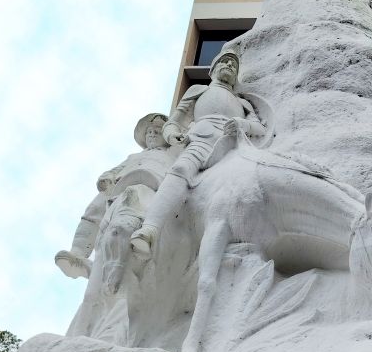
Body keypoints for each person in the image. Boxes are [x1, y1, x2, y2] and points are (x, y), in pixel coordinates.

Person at [130, 49, 266, 258]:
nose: (229, 66)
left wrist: (243, 123)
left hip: (234, 145)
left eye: (233, 65)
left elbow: (259, 128)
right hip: (201, 140)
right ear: (212, 70)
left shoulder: (243, 103)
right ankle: (150, 229)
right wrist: (172, 134)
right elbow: (174, 122)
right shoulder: (197, 90)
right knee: (179, 169)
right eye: (225, 62)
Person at [55, 112, 173, 279]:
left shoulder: (171, 154)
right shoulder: (134, 156)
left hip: (150, 185)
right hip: (119, 186)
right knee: (94, 209)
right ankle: (78, 253)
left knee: (129, 219)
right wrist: (107, 177)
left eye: (157, 130)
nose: (152, 134)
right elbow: (115, 170)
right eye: (149, 132)